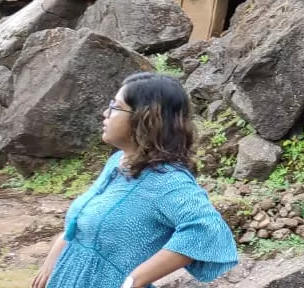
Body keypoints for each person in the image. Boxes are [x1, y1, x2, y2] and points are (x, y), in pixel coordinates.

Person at [33, 73, 237, 288]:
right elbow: (81, 221)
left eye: (116, 107)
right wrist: (52, 260)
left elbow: (207, 230)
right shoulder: (117, 162)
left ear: (146, 118)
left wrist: (134, 280)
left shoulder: (168, 181)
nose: (105, 113)